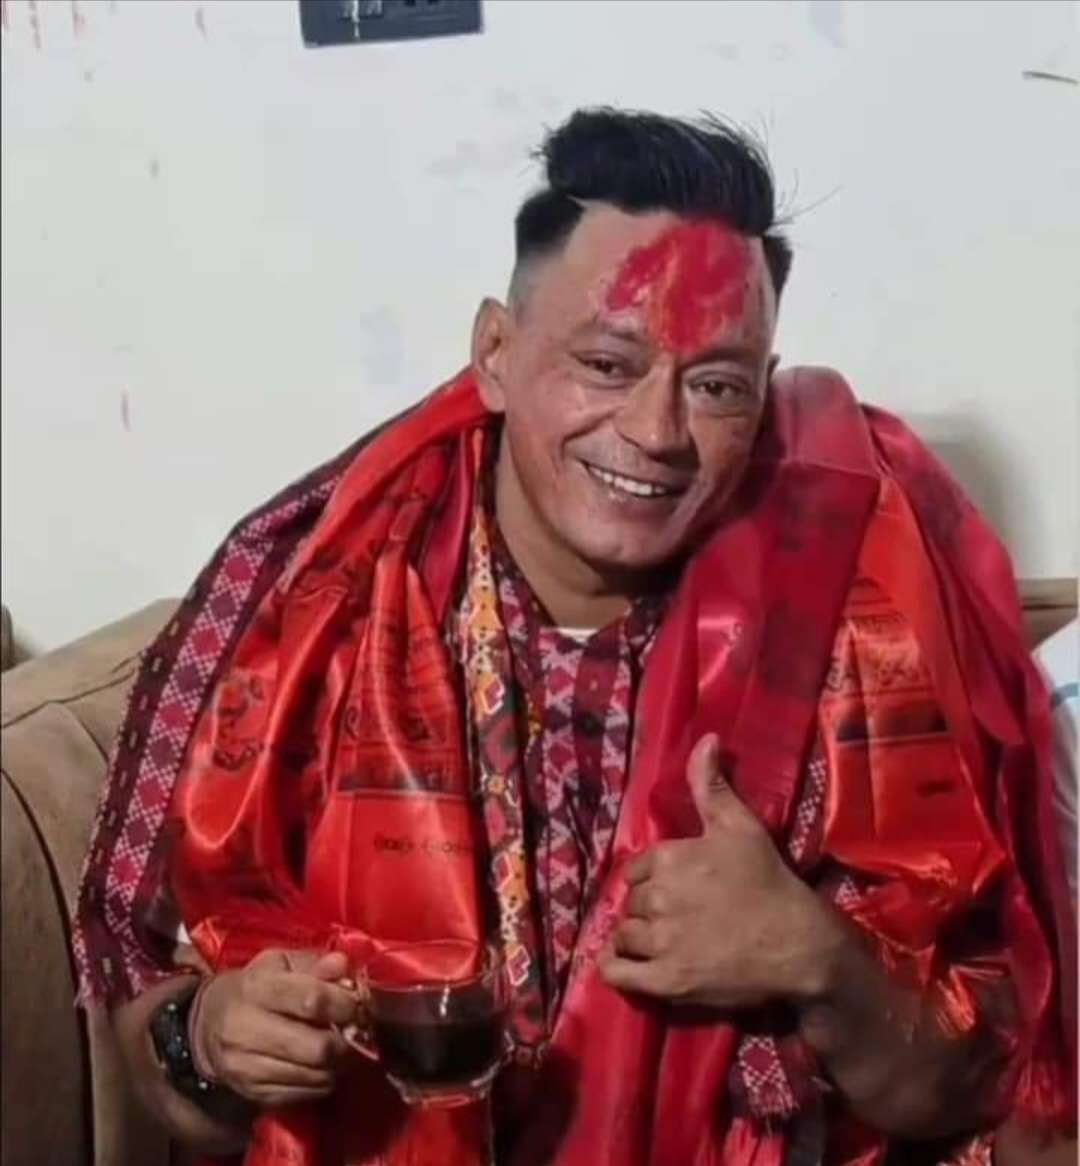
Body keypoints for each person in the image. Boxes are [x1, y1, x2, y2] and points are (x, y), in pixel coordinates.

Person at [72, 109, 1074, 1166]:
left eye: (717, 385)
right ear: (495, 354)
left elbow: (979, 1085)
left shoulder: (845, 618)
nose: (656, 431)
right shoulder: (311, 603)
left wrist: (818, 958)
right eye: (606, 363)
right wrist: (212, 1040)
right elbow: (155, 1057)